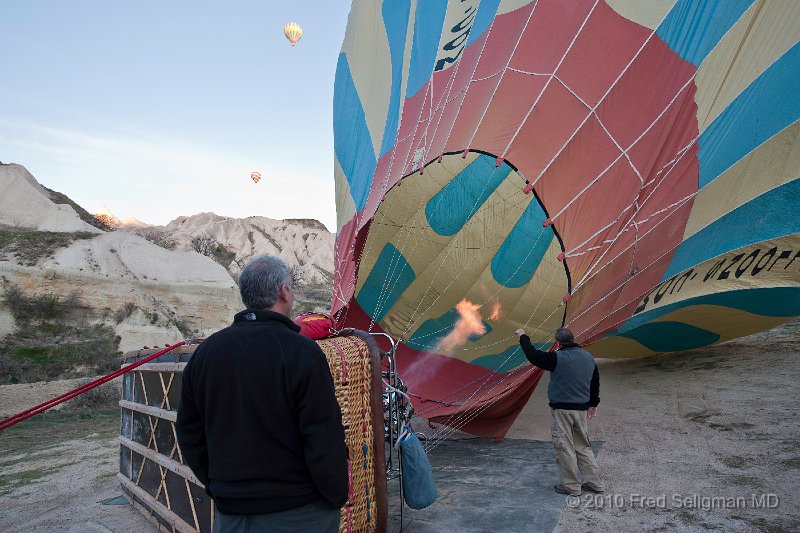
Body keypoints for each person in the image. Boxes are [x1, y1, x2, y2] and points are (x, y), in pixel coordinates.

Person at [176, 255, 348, 533]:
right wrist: (336, 495)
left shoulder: (206, 353)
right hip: (299, 512)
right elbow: (323, 435)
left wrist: (220, 486)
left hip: (231, 514)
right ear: (284, 291)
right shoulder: (303, 353)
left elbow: (188, 431)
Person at [515, 327, 604, 496]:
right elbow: (595, 383)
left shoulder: (556, 358)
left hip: (562, 409)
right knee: (583, 446)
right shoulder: (588, 358)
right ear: (573, 338)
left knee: (565, 447)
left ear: (558, 343)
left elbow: (533, 355)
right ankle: (594, 482)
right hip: (581, 410)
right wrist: (593, 404)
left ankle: (571, 485)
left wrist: (523, 336)